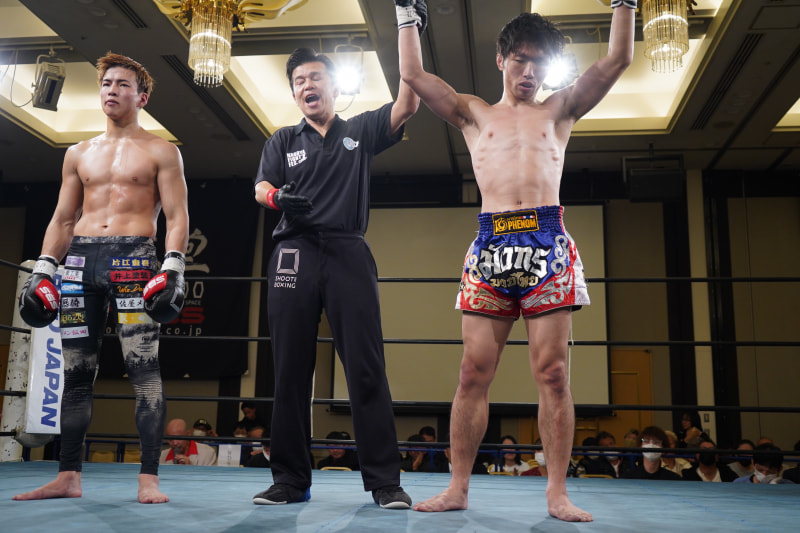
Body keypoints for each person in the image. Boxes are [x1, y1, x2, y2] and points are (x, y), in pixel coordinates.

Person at [397, 1, 634, 521]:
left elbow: (617, 59)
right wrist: (406, 15)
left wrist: (625, 5)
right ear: (501, 59)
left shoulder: (560, 110)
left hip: (546, 242)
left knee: (553, 374)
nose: (530, 72)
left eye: (540, 63)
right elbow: (413, 74)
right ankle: (458, 488)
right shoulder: (474, 112)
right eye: (521, 60)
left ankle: (557, 494)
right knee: (472, 373)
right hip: (491, 245)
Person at [13, 52, 188, 505]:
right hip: (78, 265)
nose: (112, 90)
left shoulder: (162, 151)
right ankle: (68, 475)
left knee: (143, 372)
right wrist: (44, 267)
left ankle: (148, 478)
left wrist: (172, 265)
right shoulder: (77, 153)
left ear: (141, 97)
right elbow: (63, 219)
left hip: (135, 261)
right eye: (107, 83)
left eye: (123, 84)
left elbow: (176, 216)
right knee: (76, 373)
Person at [250, 40, 420, 509]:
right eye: (299, 81)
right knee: (289, 370)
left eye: (315, 77)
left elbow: (408, 103)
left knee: (366, 367)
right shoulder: (282, 140)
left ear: (333, 86)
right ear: (293, 94)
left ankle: (385, 482)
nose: (307, 85)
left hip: (347, 250)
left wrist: (407, 29)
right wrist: (276, 198)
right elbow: (261, 186)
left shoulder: (359, 129)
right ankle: (290, 480)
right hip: (294, 252)